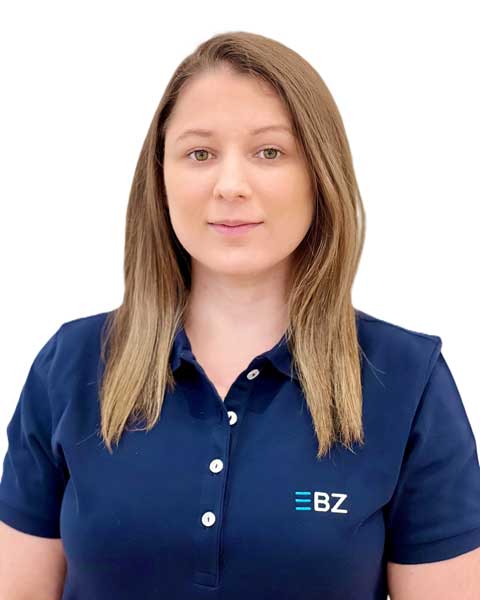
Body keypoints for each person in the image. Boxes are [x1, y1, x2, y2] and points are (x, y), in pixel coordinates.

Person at [1, 30, 479, 600]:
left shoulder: (406, 379)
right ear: (161, 177)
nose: (230, 186)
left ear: (319, 174)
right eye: (200, 154)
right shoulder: (71, 364)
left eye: (269, 152)